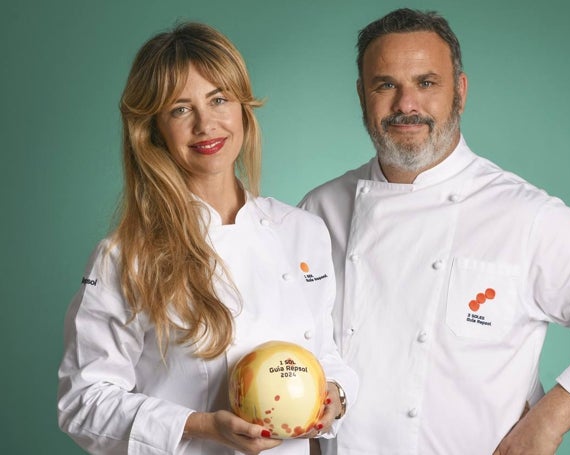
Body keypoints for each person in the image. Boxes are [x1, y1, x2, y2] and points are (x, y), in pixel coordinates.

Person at [299, 8, 570, 455]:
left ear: (459, 92)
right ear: (361, 95)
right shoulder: (318, 211)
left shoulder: (525, 216)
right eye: (386, 84)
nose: (406, 104)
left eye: (427, 83)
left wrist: (546, 423)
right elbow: (295, 350)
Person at [57, 22, 357, 455]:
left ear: (242, 109)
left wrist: (336, 396)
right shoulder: (128, 256)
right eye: (180, 109)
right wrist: (202, 426)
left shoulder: (301, 231)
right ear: (154, 130)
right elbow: (82, 403)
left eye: (219, 99)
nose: (205, 124)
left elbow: (324, 354)